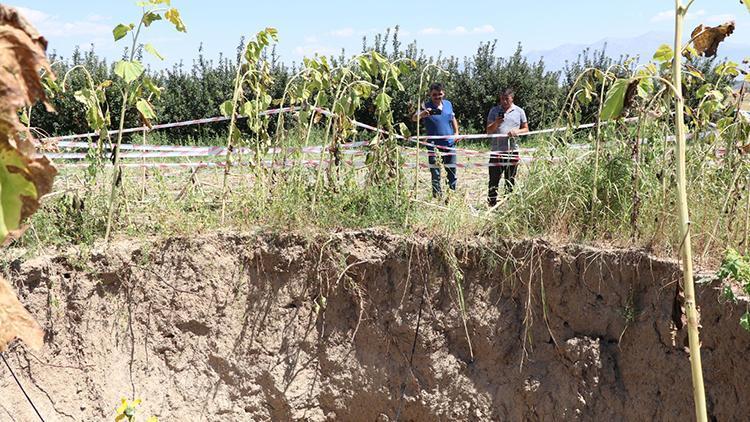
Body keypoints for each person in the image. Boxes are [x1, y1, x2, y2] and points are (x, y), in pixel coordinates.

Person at [413, 83, 460, 197]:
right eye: (434, 94)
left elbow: (452, 118)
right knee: (436, 173)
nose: (437, 97)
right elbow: (414, 118)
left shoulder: (448, 104)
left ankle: (451, 195)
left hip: (449, 144)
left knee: (452, 172)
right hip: (433, 146)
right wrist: (422, 114)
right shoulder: (425, 105)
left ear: (443, 93)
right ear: (430, 94)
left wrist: (456, 133)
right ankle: (437, 196)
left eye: (440, 94)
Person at [486, 88, 529, 206]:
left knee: (510, 179)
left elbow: (526, 129)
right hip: (496, 151)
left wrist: (517, 131)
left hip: (512, 150)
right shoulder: (494, 111)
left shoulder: (519, 111)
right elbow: (488, 131)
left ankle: (508, 205)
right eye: (502, 99)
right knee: (493, 180)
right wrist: (496, 123)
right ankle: (491, 205)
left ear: (512, 99)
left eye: (506, 99)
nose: (504, 102)